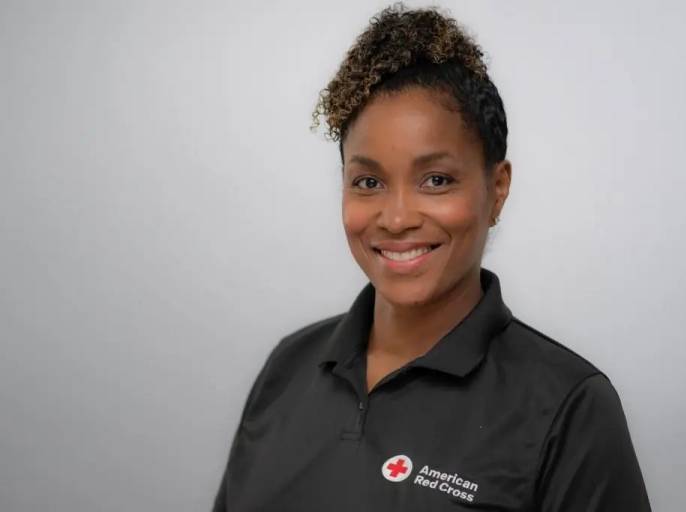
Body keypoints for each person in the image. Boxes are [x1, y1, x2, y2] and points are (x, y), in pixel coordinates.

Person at [213, 3, 651, 511]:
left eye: (436, 180)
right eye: (368, 182)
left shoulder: (567, 406)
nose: (397, 218)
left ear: (498, 189)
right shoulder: (287, 366)